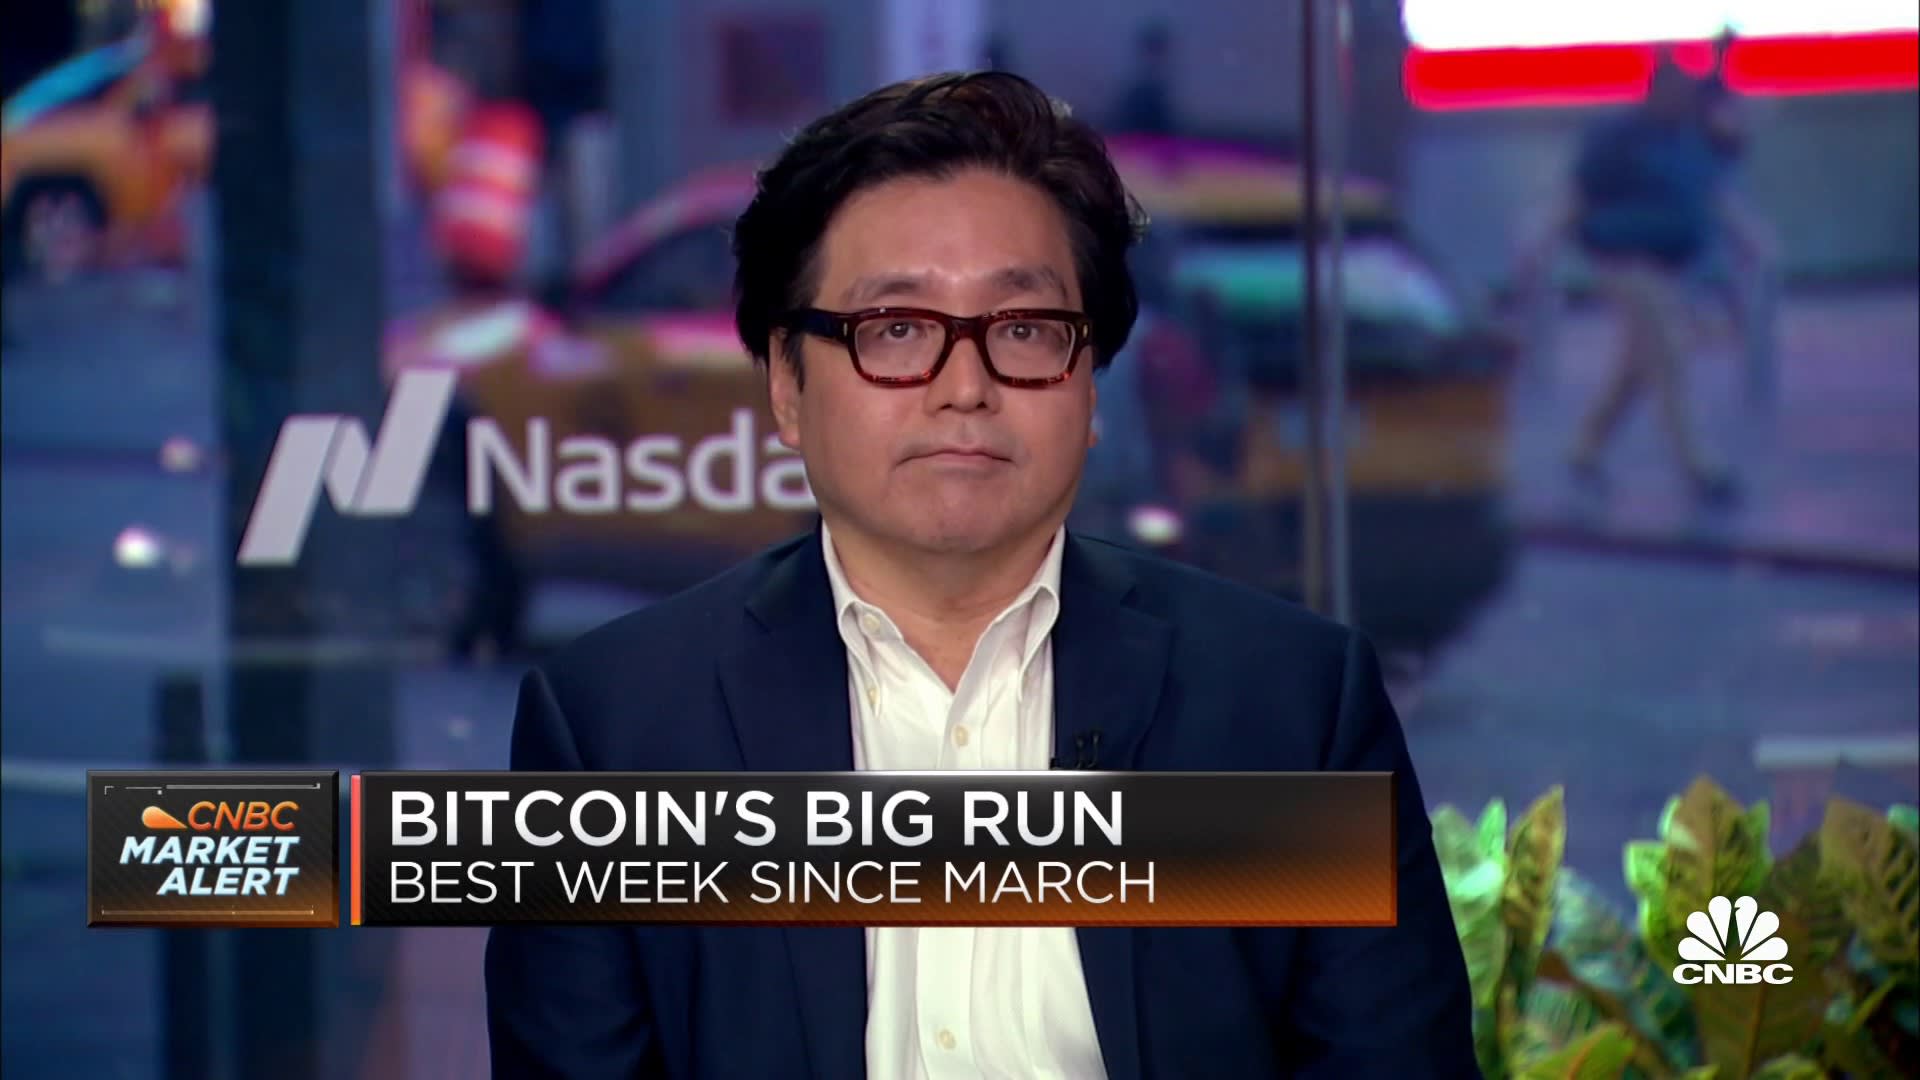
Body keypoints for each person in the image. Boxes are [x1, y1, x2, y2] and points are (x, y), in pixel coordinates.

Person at [485, 71, 1475, 1078]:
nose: (965, 387)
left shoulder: (1294, 710)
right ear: (787, 384)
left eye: (1024, 330)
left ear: (1090, 386)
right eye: (896, 329)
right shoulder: (613, 734)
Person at [1519, 60, 1772, 503]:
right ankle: (1699, 464)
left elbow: (1714, 194)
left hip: (1671, 267)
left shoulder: (1691, 139)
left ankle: (1586, 448)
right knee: (1668, 348)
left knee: (1636, 364)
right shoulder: (1618, 137)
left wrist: (1751, 240)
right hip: (1624, 259)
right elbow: (1577, 195)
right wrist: (1539, 243)